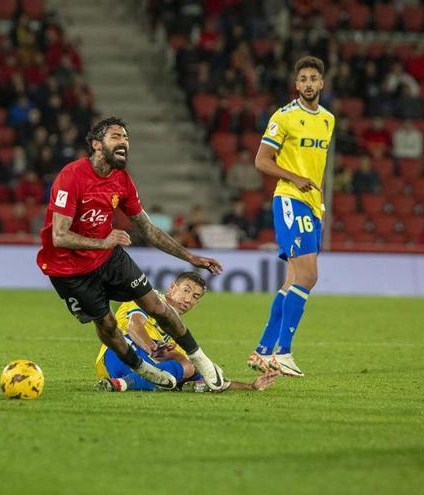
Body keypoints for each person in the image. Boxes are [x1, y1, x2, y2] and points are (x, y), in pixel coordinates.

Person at [37, 116, 229, 392]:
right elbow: (60, 235)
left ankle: (200, 359)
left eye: (126, 137)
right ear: (96, 144)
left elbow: (148, 229)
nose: (124, 142)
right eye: (116, 136)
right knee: (106, 324)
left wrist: (191, 258)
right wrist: (104, 241)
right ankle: (141, 368)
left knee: (157, 305)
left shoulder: (122, 180)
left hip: (108, 258)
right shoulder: (71, 176)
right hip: (69, 270)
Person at [247, 56, 335, 378]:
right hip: (289, 199)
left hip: (313, 205)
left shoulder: (328, 120)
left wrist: (317, 199)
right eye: (304, 79)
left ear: (322, 83)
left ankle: (261, 351)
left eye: (314, 78)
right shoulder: (283, 117)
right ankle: (282, 353)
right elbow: (261, 160)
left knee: (293, 280)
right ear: (296, 85)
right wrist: (294, 178)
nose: (309, 84)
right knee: (309, 277)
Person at [95, 272, 280, 392]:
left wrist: (251, 386)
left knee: (192, 368)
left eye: (195, 297)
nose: (188, 299)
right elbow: (134, 326)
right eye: (186, 290)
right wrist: (152, 347)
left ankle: (120, 384)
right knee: (184, 363)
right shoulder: (150, 300)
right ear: (172, 287)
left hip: (127, 370)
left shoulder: (176, 330)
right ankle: (125, 383)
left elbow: (208, 374)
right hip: (119, 353)